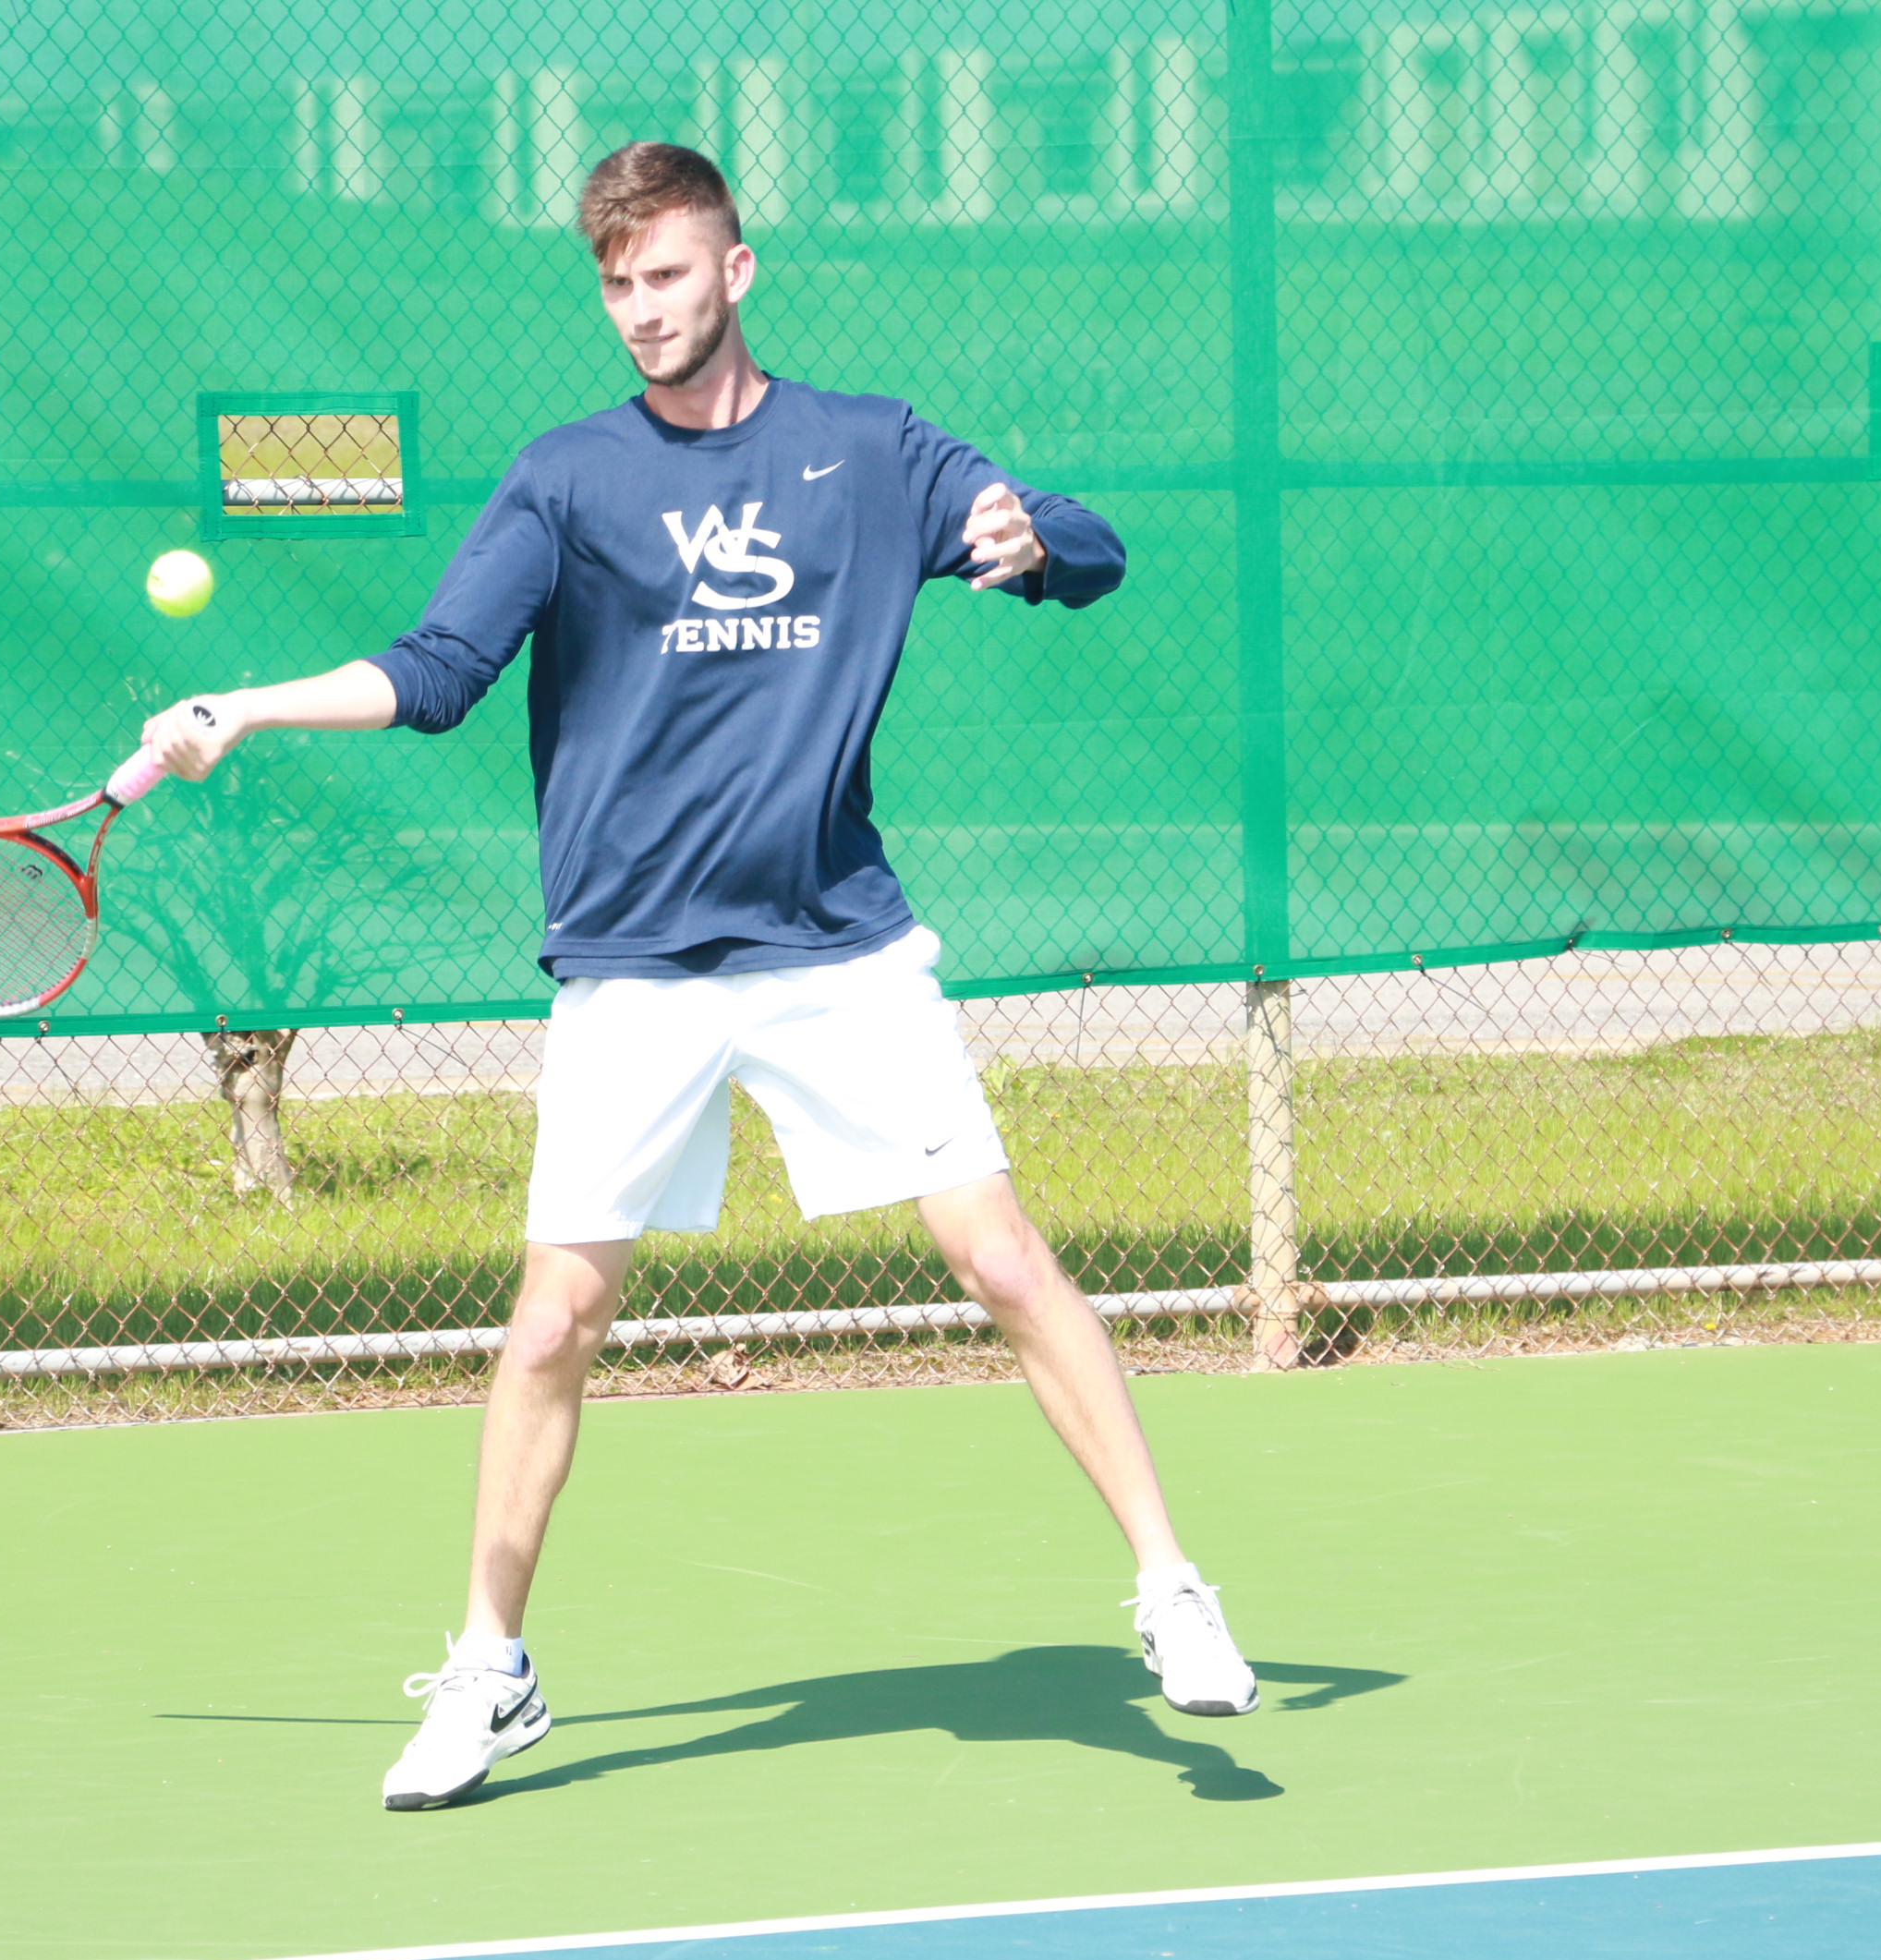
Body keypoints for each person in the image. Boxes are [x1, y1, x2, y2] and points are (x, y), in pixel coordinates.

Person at [138, 141, 1256, 1812]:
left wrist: (1031, 537)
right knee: (555, 1319)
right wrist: (245, 707)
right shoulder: (568, 479)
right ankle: (490, 1670)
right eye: (616, 284)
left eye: (666, 274)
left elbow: (1083, 548)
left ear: (736, 270)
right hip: (637, 967)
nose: (641, 309)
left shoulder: (867, 451)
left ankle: (1172, 1591)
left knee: (1000, 1255)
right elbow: (438, 671)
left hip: (835, 948)